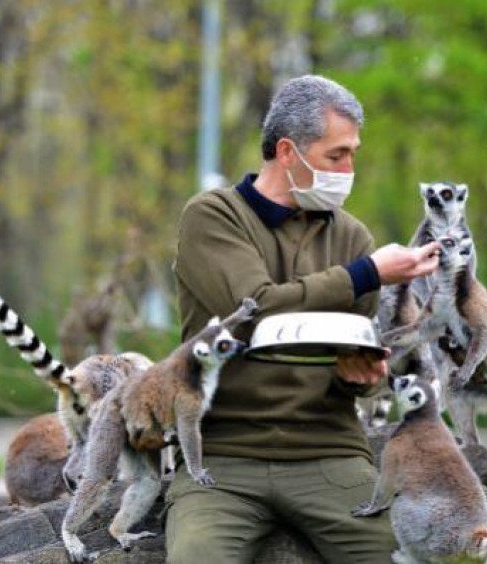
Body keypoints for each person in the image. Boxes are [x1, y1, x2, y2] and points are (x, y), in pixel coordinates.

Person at [168, 74, 440, 563]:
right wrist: (366, 274)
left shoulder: (352, 235)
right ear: (288, 151)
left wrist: (361, 379)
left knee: (403, 555)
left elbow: (358, 360)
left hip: (329, 452)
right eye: (336, 155)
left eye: (353, 153)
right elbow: (253, 310)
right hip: (224, 457)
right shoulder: (212, 216)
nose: (348, 168)